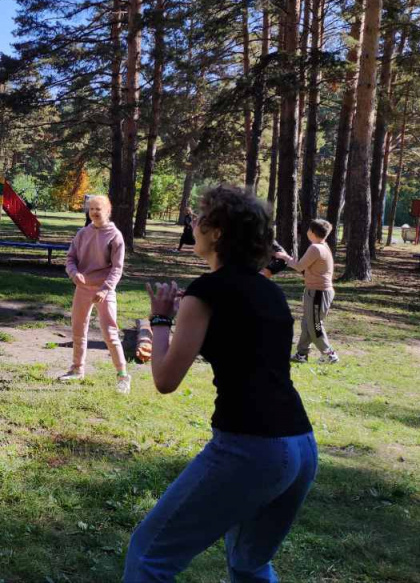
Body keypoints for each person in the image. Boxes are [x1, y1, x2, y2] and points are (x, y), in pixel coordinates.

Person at [125, 185, 317, 581]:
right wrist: (188, 312)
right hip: (300, 445)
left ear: (217, 233)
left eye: (200, 218)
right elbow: (241, 341)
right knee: (249, 564)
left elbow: (165, 379)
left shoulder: (206, 292)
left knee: (148, 556)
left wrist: (160, 319)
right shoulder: (269, 292)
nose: (193, 224)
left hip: (251, 447)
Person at [59, 194, 130, 393]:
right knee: (78, 329)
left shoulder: (115, 236)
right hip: (83, 288)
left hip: (104, 290)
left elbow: (117, 268)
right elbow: (70, 258)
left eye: (98, 209)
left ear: (108, 211)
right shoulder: (82, 233)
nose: (94, 213)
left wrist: (105, 289)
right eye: (91, 209)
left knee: (110, 332)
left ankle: (123, 376)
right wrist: (74, 274)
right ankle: (77, 370)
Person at [275, 219, 340, 364]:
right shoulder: (322, 246)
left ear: (312, 232)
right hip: (316, 291)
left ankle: (330, 354)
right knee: (307, 323)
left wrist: (284, 257)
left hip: (318, 293)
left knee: (315, 325)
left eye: (308, 229)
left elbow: (299, 266)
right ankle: (302, 354)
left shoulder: (315, 248)